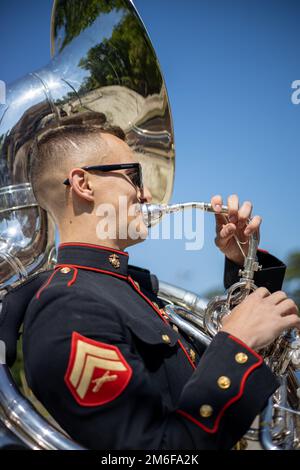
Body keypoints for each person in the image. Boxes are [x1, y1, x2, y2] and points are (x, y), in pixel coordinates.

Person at [5, 124, 299, 450]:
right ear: (83, 184)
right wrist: (236, 344)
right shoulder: (65, 309)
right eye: (135, 177)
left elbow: (241, 373)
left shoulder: (130, 288)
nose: (147, 195)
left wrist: (245, 262)